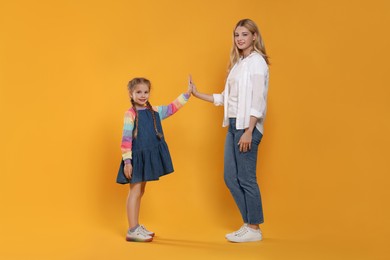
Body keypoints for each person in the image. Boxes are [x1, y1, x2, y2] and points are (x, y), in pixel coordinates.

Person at [190, 18, 270, 243]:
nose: (240, 39)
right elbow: (226, 99)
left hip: (247, 127)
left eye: (245, 34)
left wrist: (249, 130)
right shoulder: (238, 64)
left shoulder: (257, 63)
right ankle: (249, 224)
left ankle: (253, 227)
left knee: (246, 178)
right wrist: (197, 94)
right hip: (233, 125)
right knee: (230, 177)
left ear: (254, 36)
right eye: (237, 35)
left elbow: (258, 100)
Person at [116, 77, 191, 242]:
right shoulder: (130, 114)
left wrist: (186, 95)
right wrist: (128, 162)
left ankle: (136, 225)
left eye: (146, 92)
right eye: (138, 92)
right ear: (131, 93)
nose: (143, 95)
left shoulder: (153, 111)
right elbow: (126, 140)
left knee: (141, 191)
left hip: (145, 159)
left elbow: (172, 108)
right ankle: (132, 229)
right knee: (134, 191)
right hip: (136, 158)